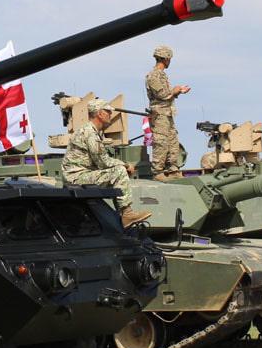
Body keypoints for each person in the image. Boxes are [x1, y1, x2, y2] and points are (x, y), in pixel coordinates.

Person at [62, 98, 152, 228]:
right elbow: (102, 161)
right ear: (99, 113)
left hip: (82, 175)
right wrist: (125, 165)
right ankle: (127, 214)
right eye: (108, 111)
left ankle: (123, 214)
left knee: (117, 172)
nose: (110, 114)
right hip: (76, 177)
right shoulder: (89, 133)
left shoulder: (92, 131)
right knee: (119, 171)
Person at [144, 45, 190, 181]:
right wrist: (175, 90)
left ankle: (173, 169)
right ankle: (158, 172)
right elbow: (162, 94)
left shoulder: (162, 75)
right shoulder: (153, 75)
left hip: (167, 114)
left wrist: (178, 92)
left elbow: (167, 95)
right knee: (161, 142)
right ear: (165, 59)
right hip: (160, 115)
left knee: (173, 141)